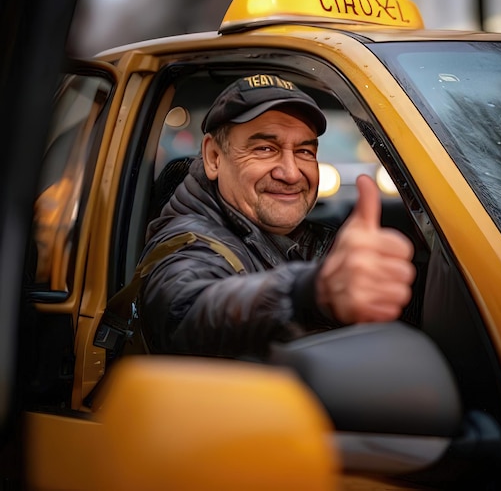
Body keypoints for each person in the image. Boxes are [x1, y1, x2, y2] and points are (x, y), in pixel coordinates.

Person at [139, 74, 415, 358]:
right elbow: (185, 311)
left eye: (305, 151)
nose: (291, 172)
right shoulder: (187, 243)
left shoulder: (294, 236)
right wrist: (310, 289)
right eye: (265, 149)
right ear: (214, 158)